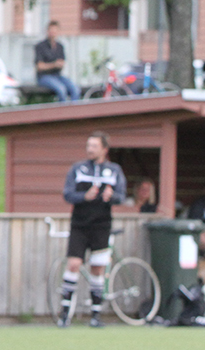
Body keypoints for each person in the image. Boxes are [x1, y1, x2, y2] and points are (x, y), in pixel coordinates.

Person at [58, 132, 126, 327]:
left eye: (94, 146)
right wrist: (84, 197)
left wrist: (111, 197)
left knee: (97, 268)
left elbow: (121, 196)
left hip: (102, 225)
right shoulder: (78, 168)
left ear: (104, 149)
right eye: (88, 145)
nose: (90, 149)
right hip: (79, 224)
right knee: (73, 265)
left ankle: (95, 316)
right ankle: (64, 315)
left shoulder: (114, 170)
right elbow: (68, 194)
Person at [34, 21, 79, 102]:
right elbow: (39, 66)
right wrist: (54, 65)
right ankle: (63, 113)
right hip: (44, 77)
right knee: (61, 89)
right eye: (51, 31)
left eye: (55, 31)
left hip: (57, 76)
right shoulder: (40, 46)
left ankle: (73, 112)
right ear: (47, 31)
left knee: (75, 89)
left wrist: (59, 65)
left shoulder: (60, 46)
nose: (53, 33)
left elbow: (62, 63)